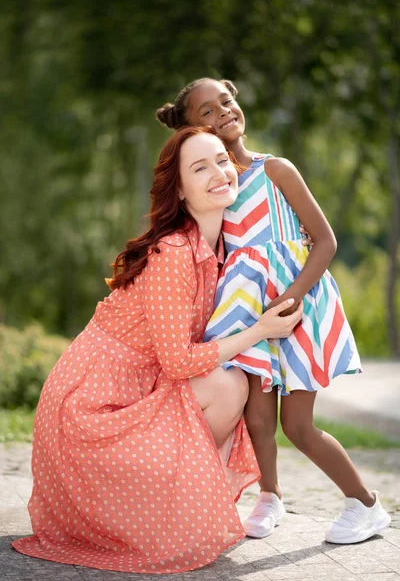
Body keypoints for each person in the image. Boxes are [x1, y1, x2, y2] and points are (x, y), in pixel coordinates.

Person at [12, 126, 304, 574]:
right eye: (200, 167)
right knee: (228, 386)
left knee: (231, 380)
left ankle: (182, 512)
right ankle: (170, 514)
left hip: (140, 386)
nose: (219, 172)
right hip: (92, 404)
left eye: (222, 160)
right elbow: (179, 362)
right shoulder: (173, 252)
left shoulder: (221, 248)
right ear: (181, 192)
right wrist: (261, 329)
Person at [156, 78, 391, 544]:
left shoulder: (276, 170)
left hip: (298, 307)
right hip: (248, 315)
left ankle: (366, 505)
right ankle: (270, 497)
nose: (222, 112)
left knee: (297, 425)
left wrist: (293, 296)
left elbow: (325, 241)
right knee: (257, 419)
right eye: (206, 111)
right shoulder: (211, 189)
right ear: (188, 129)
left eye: (226, 102)